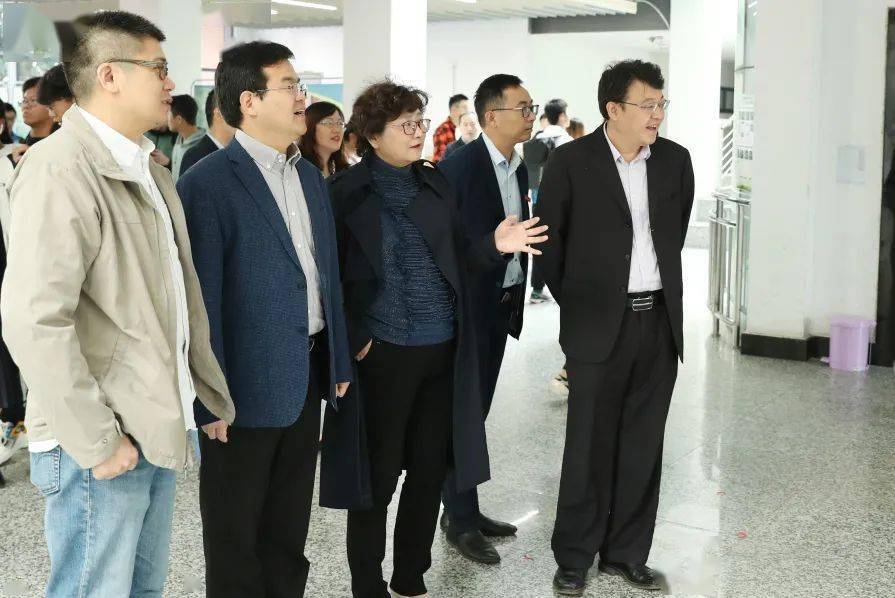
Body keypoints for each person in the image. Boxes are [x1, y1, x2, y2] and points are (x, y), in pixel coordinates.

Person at [0, 10, 236, 596]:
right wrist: (98, 440)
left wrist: (200, 393)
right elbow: (34, 320)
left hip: (152, 421)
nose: (170, 83)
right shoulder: (61, 169)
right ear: (109, 75)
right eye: (158, 68)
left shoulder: (143, 166)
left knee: (141, 589)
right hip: (100, 438)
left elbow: (168, 298)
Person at [329, 79, 546, 598]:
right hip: (383, 354)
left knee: (429, 470)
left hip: (442, 350)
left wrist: (495, 244)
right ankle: (367, 584)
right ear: (373, 135)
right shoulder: (344, 192)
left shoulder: (434, 183)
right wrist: (355, 339)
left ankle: (411, 576)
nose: (418, 132)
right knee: (378, 478)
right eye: (405, 124)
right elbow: (327, 276)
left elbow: (461, 258)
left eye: (420, 122)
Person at [177, 41, 352, 598]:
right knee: (235, 533)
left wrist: (338, 359)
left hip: (305, 377)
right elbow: (201, 300)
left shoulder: (308, 177)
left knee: (288, 528)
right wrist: (208, 399)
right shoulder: (207, 183)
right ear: (249, 101)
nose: (303, 98)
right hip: (240, 390)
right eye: (290, 86)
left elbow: (324, 275)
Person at [537, 60, 693, 596]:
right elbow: (550, 246)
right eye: (647, 104)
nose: (657, 114)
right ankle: (574, 555)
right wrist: (585, 307)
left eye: (660, 104)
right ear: (613, 109)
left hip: (659, 322)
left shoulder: (675, 161)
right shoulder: (570, 161)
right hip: (597, 325)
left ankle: (626, 553)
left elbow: (674, 235)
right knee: (587, 445)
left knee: (643, 443)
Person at [438, 73, 536, 566]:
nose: (531, 116)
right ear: (491, 116)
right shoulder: (460, 167)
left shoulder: (517, 165)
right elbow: (445, 245)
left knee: (476, 413)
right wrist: (491, 248)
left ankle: (466, 509)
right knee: (462, 414)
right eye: (523, 108)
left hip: (500, 303)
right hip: (468, 309)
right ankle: (458, 519)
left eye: (532, 107)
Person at [524, 98, 574, 304]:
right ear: (561, 116)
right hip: (564, 200)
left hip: (538, 198)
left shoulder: (538, 136)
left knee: (540, 241)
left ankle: (537, 289)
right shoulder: (566, 140)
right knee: (566, 242)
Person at [179, 90, 235, 177]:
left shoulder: (237, 153)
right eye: (236, 110)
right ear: (219, 114)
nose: (242, 117)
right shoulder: (194, 156)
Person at [298, 100, 349, 177]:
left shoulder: (343, 171)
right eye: (328, 123)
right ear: (309, 127)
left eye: (340, 123)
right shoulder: (298, 167)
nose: (337, 130)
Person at [168, 94, 206, 182]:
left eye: (168, 114)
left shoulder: (203, 146)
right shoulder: (179, 140)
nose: (167, 119)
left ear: (179, 119)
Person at [21, 77, 59, 146]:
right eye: (24, 101)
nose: (26, 106)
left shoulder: (62, 142)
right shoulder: (20, 146)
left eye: (33, 100)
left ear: (51, 104)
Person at [431, 93, 469, 161]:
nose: (467, 111)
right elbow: (441, 161)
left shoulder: (465, 129)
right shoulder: (442, 130)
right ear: (454, 109)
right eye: (464, 107)